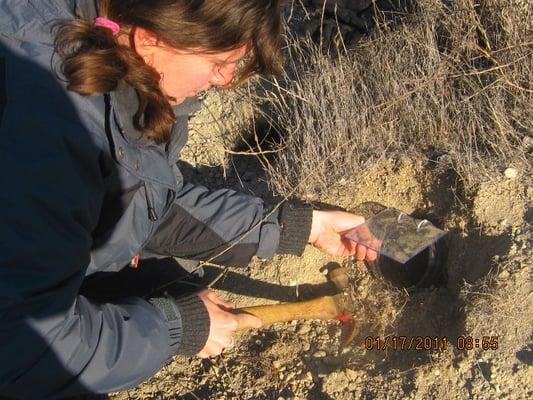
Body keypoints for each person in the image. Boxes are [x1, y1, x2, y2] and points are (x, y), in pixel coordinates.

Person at [0, 1, 375, 398]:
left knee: (162, 280)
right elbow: (21, 352)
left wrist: (302, 226)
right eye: (218, 62)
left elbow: (143, 205)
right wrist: (176, 328)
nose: (227, 80)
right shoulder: (54, 140)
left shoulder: (118, 56)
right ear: (150, 39)